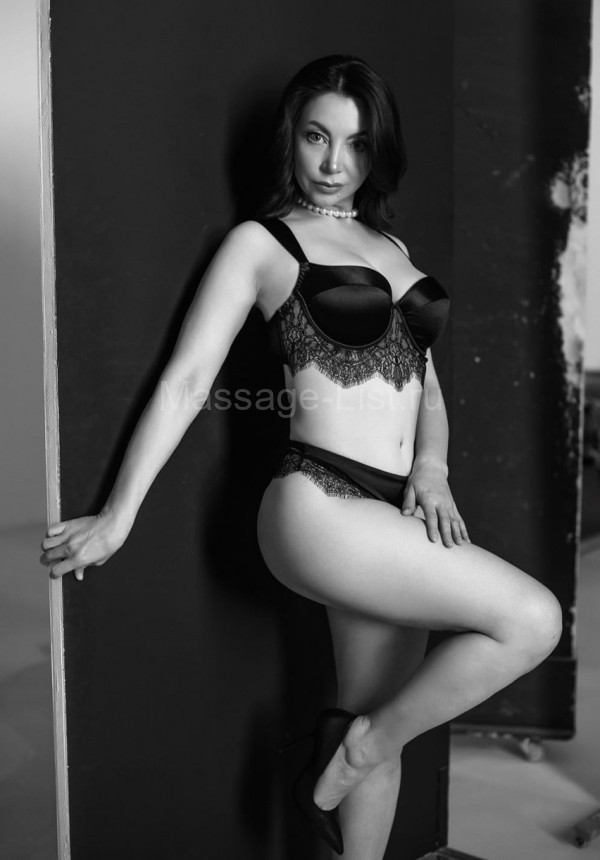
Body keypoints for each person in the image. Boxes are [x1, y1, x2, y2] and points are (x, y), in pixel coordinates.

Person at [40, 55, 562, 859]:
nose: (333, 162)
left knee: (379, 717)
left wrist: (433, 467)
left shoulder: (391, 242)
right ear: (292, 138)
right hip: (318, 502)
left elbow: (426, 385)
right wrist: (117, 515)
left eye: (356, 143)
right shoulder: (263, 243)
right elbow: (186, 381)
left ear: (377, 151)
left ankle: (356, 755)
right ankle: (346, 753)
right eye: (318, 137)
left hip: (393, 512)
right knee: (532, 620)